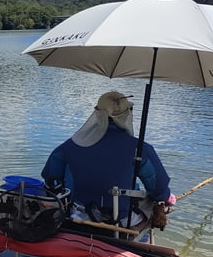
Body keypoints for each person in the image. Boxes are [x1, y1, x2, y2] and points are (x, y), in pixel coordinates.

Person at [41, 91, 176, 229]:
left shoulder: (72, 145)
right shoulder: (140, 148)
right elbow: (158, 187)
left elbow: (51, 178)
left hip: (78, 215)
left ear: (97, 115)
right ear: (126, 115)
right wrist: (165, 197)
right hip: (123, 219)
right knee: (153, 201)